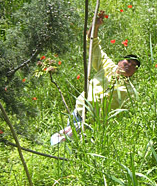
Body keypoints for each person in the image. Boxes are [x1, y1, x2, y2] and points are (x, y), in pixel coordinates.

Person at [51, 10, 140, 145]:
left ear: (134, 73)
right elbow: (92, 44)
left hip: (91, 125)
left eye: (133, 65)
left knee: (72, 149)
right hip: (77, 113)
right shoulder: (107, 66)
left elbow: (125, 116)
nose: (129, 65)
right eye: (127, 61)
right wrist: (95, 26)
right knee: (63, 145)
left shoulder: (129, 92)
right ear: (119, 62)